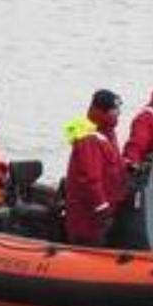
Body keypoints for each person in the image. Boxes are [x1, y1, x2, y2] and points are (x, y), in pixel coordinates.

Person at [63, 89, 128, 247]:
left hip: (104, 209)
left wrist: (128, 166)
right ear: (102, 111)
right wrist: (101, 207)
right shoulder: (89, 139)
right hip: (89, 215)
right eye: (114, 110)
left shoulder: (106, 134)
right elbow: (89, 177)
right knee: (92, 244)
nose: (118, 114)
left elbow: (111, 164)